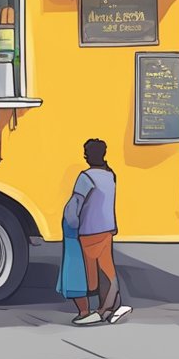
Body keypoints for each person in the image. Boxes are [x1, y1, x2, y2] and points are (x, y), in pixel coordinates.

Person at [68, 138, 131, 325]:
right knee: (107, 269)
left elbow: (75, 205)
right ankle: (111, 305)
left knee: (90, 272)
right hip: (107, 228)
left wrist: (71, 224)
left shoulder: (85, 177)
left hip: (88, 230)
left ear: (88, 155)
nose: (85, 156)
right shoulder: (110, 175)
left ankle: (100, 310)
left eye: (86, 153)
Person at [56, 178, 91, 321]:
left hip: (73, 238)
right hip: (76, 237)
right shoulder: (83, 202)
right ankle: (85, 310)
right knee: (79, 273)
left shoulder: (76, 201)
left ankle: (84, 311)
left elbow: (71, 219)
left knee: (75, 274)